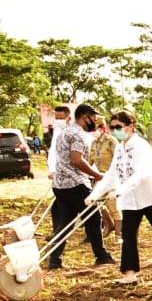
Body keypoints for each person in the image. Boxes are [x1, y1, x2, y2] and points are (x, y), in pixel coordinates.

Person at [87, 110, 152, 285]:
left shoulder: (141, 146)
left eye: (118, 127)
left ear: (131, 127)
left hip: (150, 198)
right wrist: (94, 194)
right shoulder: (120, 148)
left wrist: (120, 190)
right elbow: (111, 174)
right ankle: (130, 274)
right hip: (130, 201)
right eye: (112, 128)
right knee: (128, 236)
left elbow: (140, 174)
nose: (115, 131)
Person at [47, 104, 114, 270]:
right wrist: (97, 175)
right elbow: (77, 159)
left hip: (60, 185)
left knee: (64, 223)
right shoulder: (79, 135)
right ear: (85, 117)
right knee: (94, 217)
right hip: (76, 184)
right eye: (93, 118)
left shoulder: (65, 132)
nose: (95, 121)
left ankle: (55, 259)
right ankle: (101, 255)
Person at [88, 115, 121, 238]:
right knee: (97, 204)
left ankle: (119, 233)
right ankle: (109, 224)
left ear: (102, 128)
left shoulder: (111, 141)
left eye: (95, 129)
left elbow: (118, 161)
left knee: (114, 206)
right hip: (100, 178)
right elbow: (89, 161)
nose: (93, 132)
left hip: (112, 178)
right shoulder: (93, 143)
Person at [46, 105, 71, 176]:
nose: (58, 121)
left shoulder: (75, 131)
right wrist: (52, 170)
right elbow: (53, 150)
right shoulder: (57, 130)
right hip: (59, 171)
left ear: (68, 118)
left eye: (61, 118)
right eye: (56, 118)